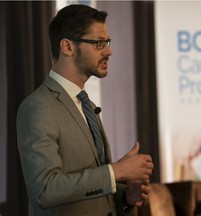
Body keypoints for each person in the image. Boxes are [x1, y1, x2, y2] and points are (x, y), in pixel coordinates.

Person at [16, 4, 154, 216]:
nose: (109, 51)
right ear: (68, 47)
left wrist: (125, 197)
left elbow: (90, 194)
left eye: (107, 42)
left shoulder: (86, 104)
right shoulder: (38, 106)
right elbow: (44, 190)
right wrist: (117, 171)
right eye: (99, 43)